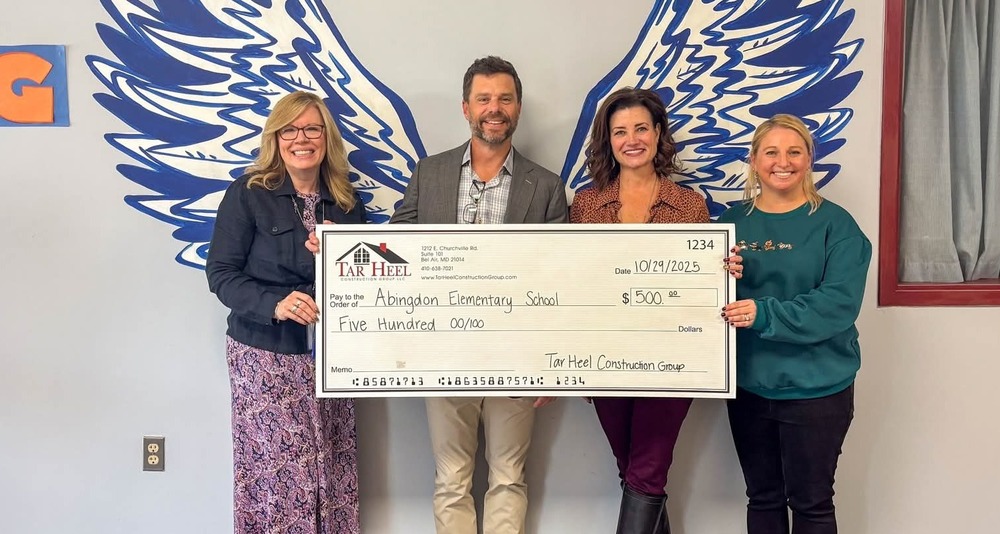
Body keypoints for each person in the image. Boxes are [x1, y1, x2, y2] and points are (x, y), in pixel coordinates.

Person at [391, 56, 568, 534]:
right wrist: (336, 253)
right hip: (442, 353)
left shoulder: (548, 186)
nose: (495, 108)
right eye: (485, 99)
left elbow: (560, 278)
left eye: (505, 99)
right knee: (451, 478)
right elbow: (396, 254)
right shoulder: (429, 174)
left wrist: (552, 365)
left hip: (518, 357)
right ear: (466, 107)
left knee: (509, 477)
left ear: (518, 108)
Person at [570, 87, 742, 534]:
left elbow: (705, 286)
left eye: (641, 128)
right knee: (634, 470)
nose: (632, 139)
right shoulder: (585, 206)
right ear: (608, 141)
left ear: (658, 133)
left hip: (672, 363)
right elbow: (572, 284)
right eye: (620, 131)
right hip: (605, 362)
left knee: (646, 468)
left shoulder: (689, 205)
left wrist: (725, 268)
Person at [206, 90, 367, 534]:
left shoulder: (347, 203)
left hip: (331, 361)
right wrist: (275, 304)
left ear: (326, 137)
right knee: (277, 475)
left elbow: (369, 285)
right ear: (275, 138)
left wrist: (341, 257)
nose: (302, 138)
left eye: (312, 128)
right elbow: (221, 274)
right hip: (264, 356)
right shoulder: (248, 194)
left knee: (330, 470)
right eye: (290, 129)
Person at [719, 113, 871, 534]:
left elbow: (837, 305)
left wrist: (763, 312)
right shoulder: (730, 224)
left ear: (809, 159)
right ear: (753, 160)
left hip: (817, 390)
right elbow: (707, 303)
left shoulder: (837, 226)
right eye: (770, 152)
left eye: (794, 152)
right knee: (762, 498)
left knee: (812, 503)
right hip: (749, 386)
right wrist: (715, 276)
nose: (781, 162)